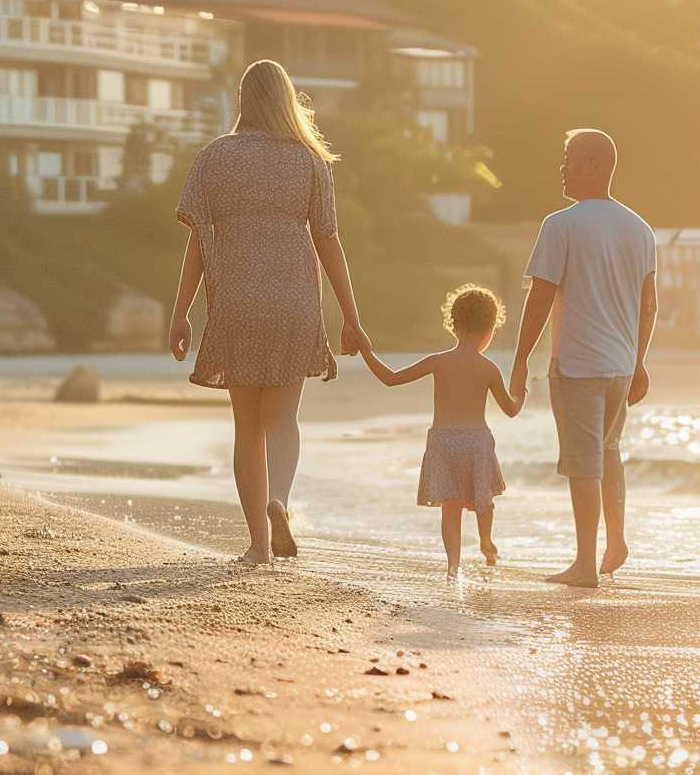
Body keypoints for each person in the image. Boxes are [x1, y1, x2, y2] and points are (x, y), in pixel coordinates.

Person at [168, 59, 369, 564]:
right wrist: (351, 315)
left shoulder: (215, 157)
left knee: (247, 427)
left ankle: (258, 543)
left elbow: (197, 242)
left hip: (236, 303)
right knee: (283, 418)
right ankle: (280, 498)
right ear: (286, 99)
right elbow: (328, 241)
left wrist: (180, 313)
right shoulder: (308, 160)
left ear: (243, 100)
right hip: (293, 301)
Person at [508, 128, 657, 588]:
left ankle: (585, 565)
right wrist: (638, 361)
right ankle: (615, 541)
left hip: (577, 366)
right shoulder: (639, 228)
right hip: (618, 366)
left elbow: (540, 299)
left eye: (569, 158)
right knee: (608, 454)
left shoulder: (561, 225)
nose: (562, 167)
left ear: (595, 165)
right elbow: (648, 305)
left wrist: (519, 361)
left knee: (583, 464)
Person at [359, 285, 522, 574]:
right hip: (476, 442)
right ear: (490, 330)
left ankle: (453, 566)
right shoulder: (489, 368)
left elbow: (390, 378)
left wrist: (365, 350)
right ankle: (486, 540)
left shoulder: (439, 361)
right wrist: (521, 391)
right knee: (484, 501)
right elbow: (511, 409)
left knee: (451, 508)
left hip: (444, 441)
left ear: (453, 325)